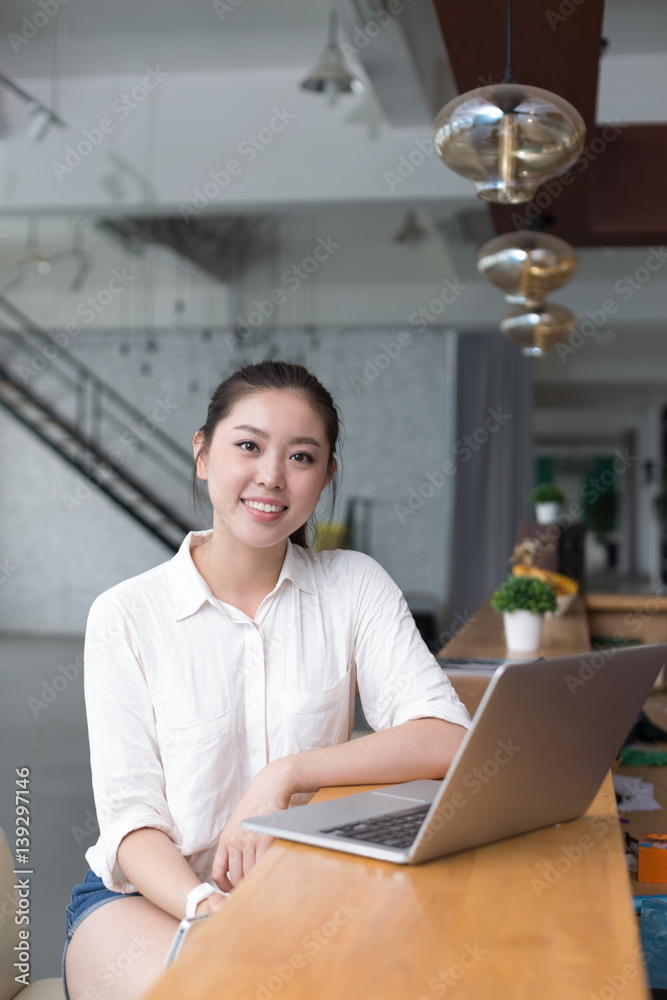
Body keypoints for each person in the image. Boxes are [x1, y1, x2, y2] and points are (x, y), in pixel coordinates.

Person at [63, 360, 472, 999]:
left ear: (327, 476)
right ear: (203, 455)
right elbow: (130, 823)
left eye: (302, 457)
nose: (271, 476)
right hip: (151, 897)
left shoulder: (354, 586)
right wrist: (206, 905)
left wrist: (287, 774)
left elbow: (447, 737)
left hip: (302, 891)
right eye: (247, 446)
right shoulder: (126, 616)